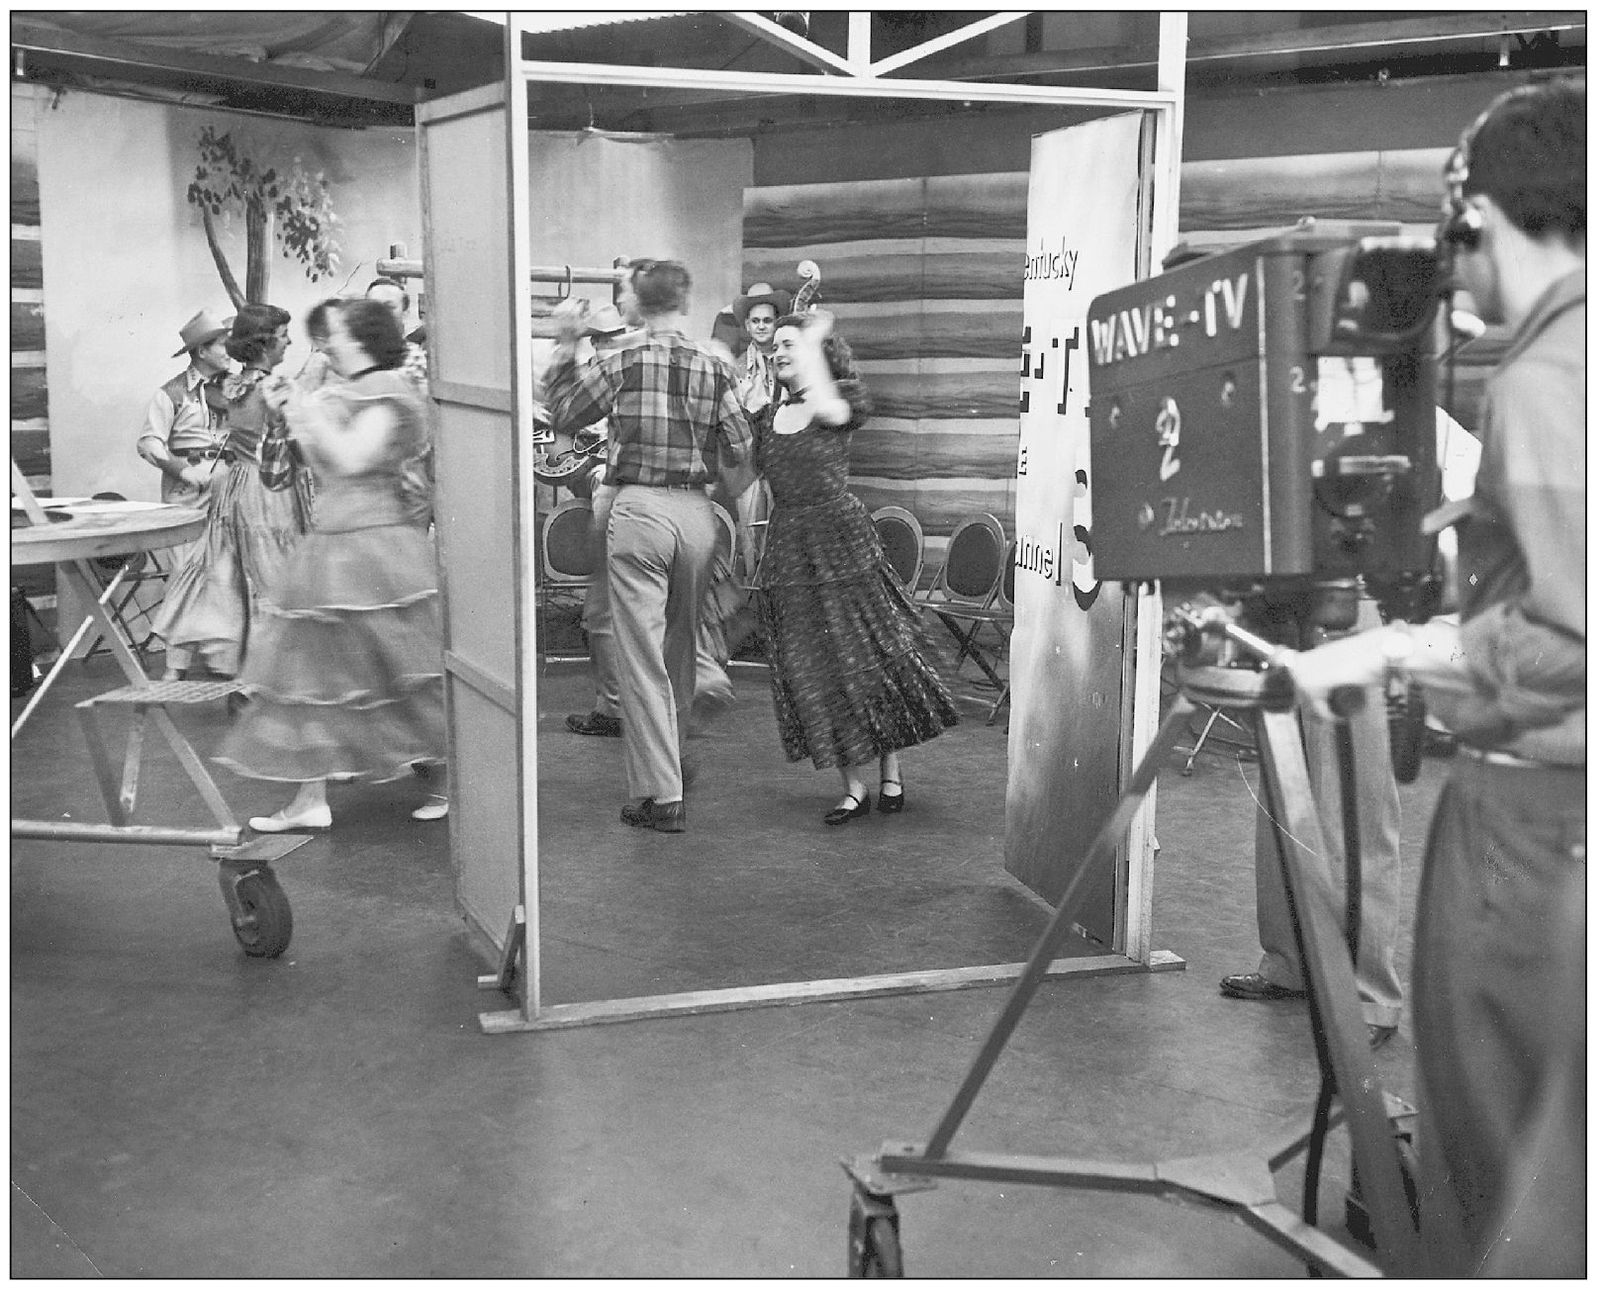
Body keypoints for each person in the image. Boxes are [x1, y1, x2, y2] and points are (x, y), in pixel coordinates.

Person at [1282, 79, 1583, 1276]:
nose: (1450, 283)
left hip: (1535, 824)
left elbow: (1574, 636)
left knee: (1497, 1173)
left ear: (1485, 219)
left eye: (1456, 244)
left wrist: (1394, 648)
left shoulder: (1552, 369)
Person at [215, 299, 448, 829]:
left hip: (377, 545)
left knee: (400, 669)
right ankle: (309, 800)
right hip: (334, 541)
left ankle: (450, 778)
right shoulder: (343, 393)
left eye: (335, 333)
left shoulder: (389, 390)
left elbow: (350, 458)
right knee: (314, 675)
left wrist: (304, 408)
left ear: (364, 338)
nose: (325, 343)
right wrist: (296, 411)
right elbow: (325, 467)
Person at [544, 259, 754, 834]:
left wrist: (566, 342)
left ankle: (660, 795)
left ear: (640, 298)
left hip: (638, 509)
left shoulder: (623, 362)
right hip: (696, 513)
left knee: (641, 658)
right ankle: (675, 757)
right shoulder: (713, 367)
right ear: (684, 301)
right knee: (683, 648)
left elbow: (562, 412)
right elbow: (739, 444)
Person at [749, 310, 958, 824]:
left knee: (867, 655)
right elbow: (746, 485)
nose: (777, 351)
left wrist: (813, 344)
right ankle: (852, 786)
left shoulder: (841, 397)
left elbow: (829, 409)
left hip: (842, 544)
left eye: (787, 343)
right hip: (791, 546)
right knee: (815, 668)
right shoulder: (765, 418)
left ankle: (891, 769)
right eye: (773, 344)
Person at [152, 305, 308, 680]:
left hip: (235, 485)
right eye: (284, 336)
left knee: (230, 571)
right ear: (267, 344)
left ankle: (242, 665)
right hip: (268, 491)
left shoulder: (233, 388)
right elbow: (297, 451)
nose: (289, 342)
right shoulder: (274, 390)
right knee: (272, 571)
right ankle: (272, 669)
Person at [136, 308, 233, 678]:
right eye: (223, 346)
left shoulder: (232, 386)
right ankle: (175, 665)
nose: (229, 352)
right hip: (187, 491)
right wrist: (183, 470)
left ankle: (221, 658)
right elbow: (149, 443)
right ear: (203, 351)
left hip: (225, 487)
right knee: (185, 574)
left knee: (223, 574)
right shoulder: (172, 393)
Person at [365, 277, 428, 390]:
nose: (380, 313)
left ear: (405, 313)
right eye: (374, 306)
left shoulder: (413, 358)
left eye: (389, 307)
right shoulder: (349, 352)